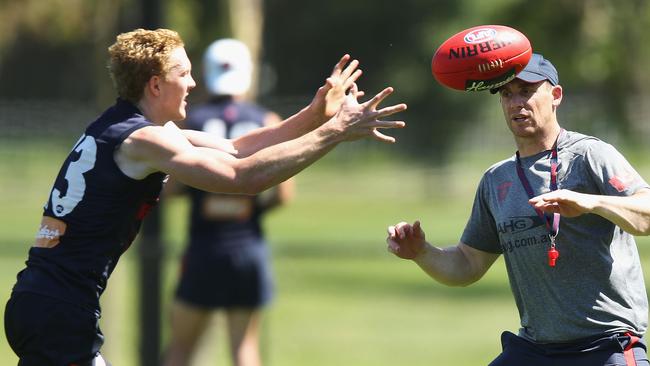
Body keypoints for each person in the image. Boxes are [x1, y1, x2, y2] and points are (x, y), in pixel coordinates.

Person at [4, 28, 406, 366]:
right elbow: (243, 177)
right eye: (184, 72)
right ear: (156, 83)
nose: (194, 83)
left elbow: (237, 149)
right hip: (59, 310)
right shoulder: (142, 139)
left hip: (42, 302)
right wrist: (336, 133)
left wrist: (319, 114)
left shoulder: (127, 128)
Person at [386, 53, 650, 365]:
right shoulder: (497, 178)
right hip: (534, 348)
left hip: (604, 346)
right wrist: (422, 252)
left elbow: (645, 213)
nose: (515, 103)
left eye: (526, 91)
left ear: (555, 96)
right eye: (507, 94)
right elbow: (468, 263)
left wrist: (592, 202)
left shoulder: (590, 155)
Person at [163, 38, 294, 366]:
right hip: (248, 248)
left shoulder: (191, 122)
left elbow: (171, 189)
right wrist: (250, 205)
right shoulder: (267, 120)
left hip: (203, 250)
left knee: (180, 349)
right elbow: (284, 194)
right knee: (244, 349)